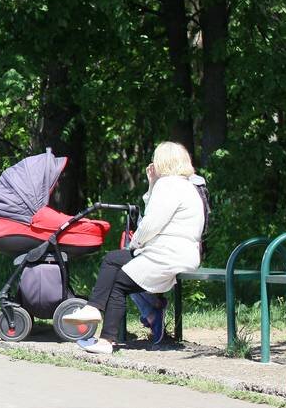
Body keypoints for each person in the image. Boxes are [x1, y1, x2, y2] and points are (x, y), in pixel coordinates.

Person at [62, 141, 206, 354]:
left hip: (167, 254)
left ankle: (105, 339)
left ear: (162, 162)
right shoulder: (187, 186)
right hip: (182, 253)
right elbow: (157, 213)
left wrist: (135, 243)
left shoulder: (169, 185)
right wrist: (151, 185)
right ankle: (94, 309)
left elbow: (150, 223)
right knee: (112, 259)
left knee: (119, 283)